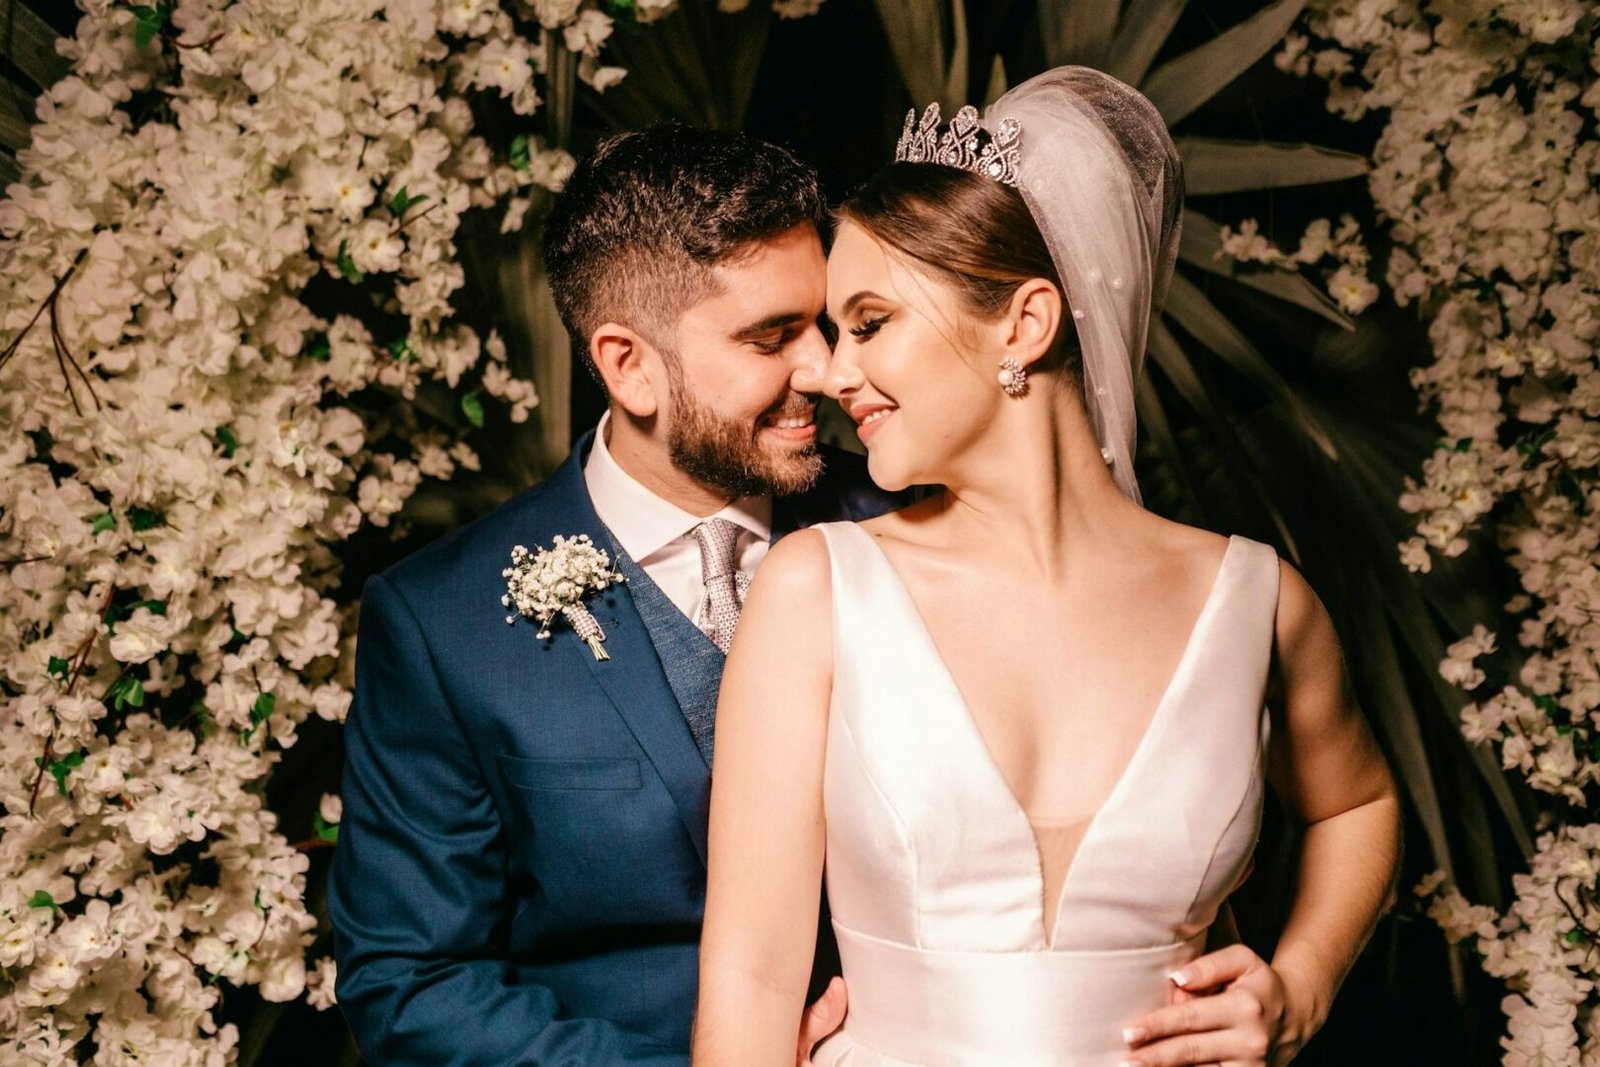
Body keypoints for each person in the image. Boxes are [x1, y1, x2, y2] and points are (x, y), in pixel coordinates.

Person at [692, 67, 1401, 1066]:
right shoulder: (817, 590)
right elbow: (752, 975)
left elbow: (1358, 803)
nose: (832, 372)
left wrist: (1301, 984)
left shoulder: (1258, 601)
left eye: (869, 322)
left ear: (1024, 324)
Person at [329, 124, 900, 1065]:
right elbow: (412, 978)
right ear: (628, 364)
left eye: (827, 322)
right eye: (772, 337)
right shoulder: (442, 622)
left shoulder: (913, 522)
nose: (826, 372)